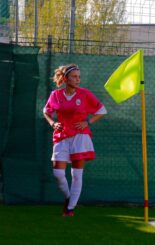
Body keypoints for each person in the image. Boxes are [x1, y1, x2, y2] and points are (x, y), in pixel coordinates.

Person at [43, 64, 107, 217]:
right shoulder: (55, 95)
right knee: (58, 174)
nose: (78, 80)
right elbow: (46, 111)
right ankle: (68, 198)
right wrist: (52, 123)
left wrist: (88, 122)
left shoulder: (85, 94)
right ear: (65, 78)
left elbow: (102, 111)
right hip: (61, 136)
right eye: (74, 77)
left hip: (80, 137)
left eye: (79, 77)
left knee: (77, 175)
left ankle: (70, 208)